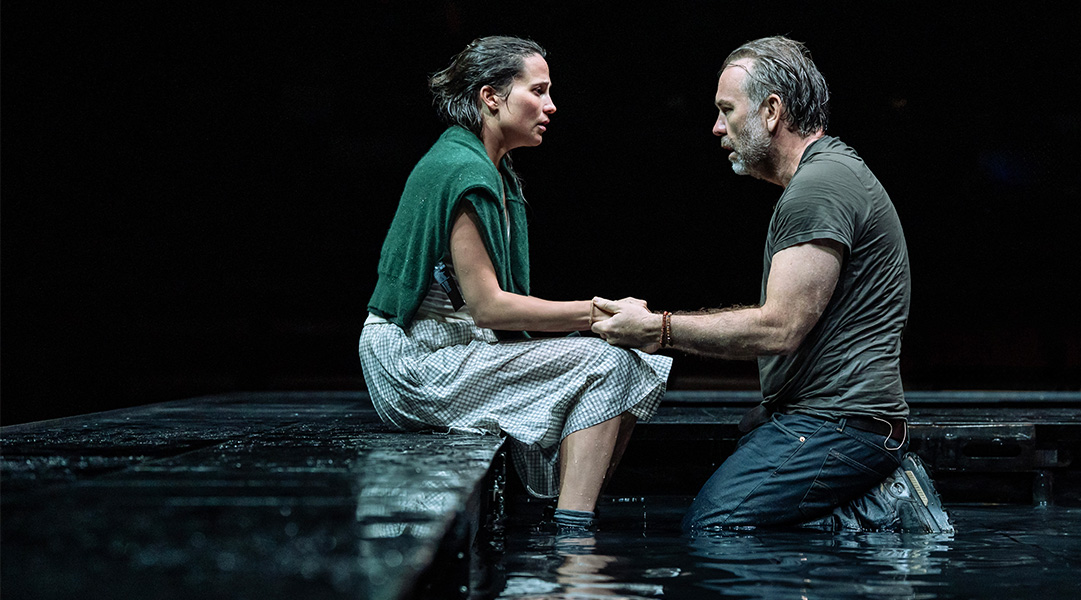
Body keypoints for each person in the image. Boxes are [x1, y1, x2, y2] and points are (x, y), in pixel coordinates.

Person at [593, 36, 951, 533]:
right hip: (823, 418)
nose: (717, 127)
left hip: (838, 425)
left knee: (715, 528)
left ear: (771, 111)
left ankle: (880, 508)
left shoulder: (820, 187)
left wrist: (658, 329)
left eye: (726, 109)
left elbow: (778, 329)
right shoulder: (824, 176)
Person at [359, 36, 672, 532]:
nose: (551, 105)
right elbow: (489, 308)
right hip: (414, 361)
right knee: (611, 356)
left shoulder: (494, 172)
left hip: (457, 348)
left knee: (637, 356)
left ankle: (567, 513)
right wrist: (599, 315)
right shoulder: (461, 171)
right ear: (491, 97)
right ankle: (572, 533)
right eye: (539, 90)